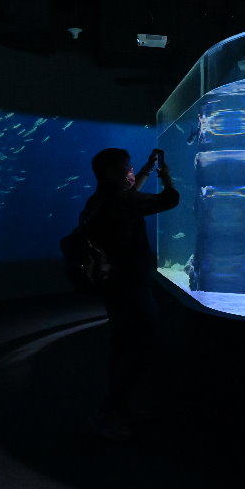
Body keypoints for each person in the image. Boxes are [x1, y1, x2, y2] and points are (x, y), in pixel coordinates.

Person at [82, 147, 180, 439]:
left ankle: (119, 408)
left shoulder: (100, 199)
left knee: (123, 346)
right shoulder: (122, 201)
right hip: (130, 286)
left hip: (114, 285)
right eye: (127, 167)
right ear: (110, 172)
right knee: (136, 346)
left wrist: (147, 170)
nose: (130, 172)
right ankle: (109, 414)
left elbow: (131, 196)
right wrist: (166, 177)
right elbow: (170, 199)